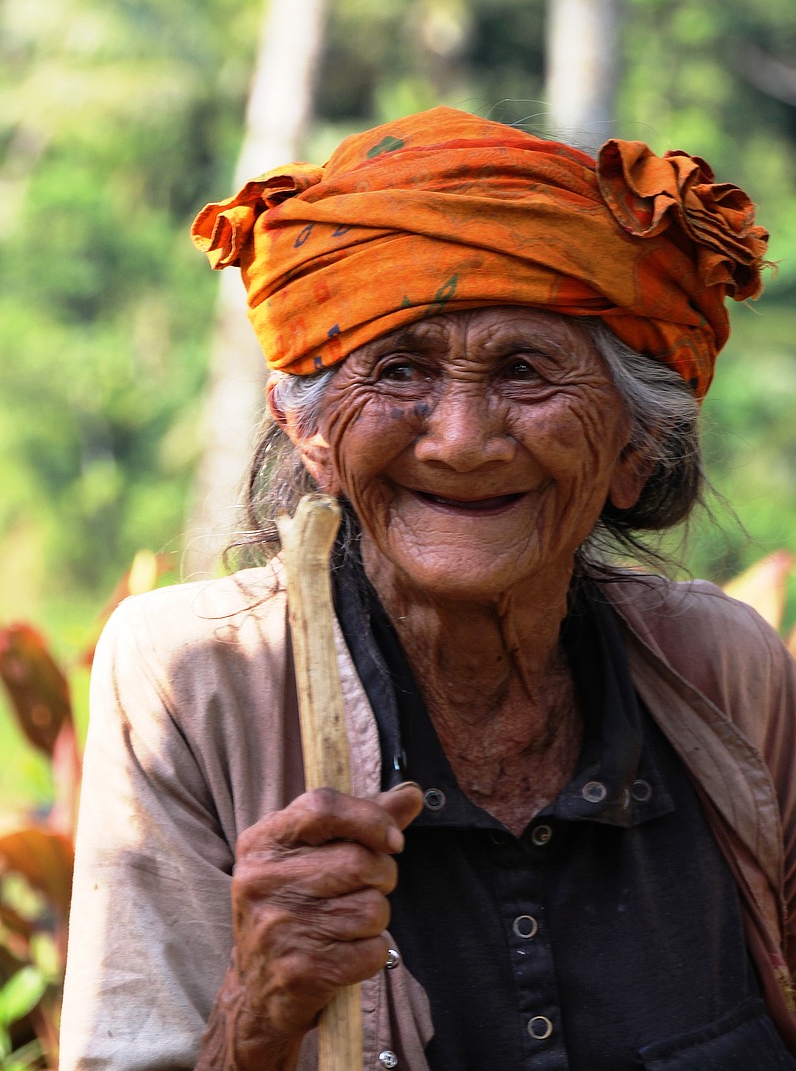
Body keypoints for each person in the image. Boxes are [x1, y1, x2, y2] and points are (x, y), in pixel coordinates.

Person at [60, 107, 796, 1071]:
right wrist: (258, 1017)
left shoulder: (723, 672)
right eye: (399, 370)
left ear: (636, 445)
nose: (458, 437)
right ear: (312, 436)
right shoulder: (194, 680)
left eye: (525, 372)